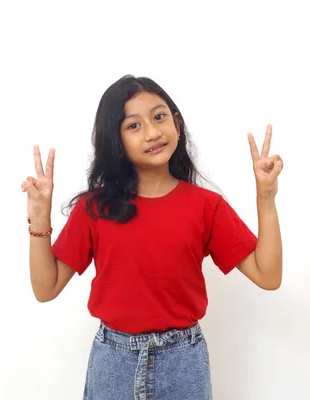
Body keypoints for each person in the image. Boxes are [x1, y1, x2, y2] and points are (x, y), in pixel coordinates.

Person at [21, 75, 283, 400]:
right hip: (113, 362)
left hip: (183, 363)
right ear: (115, 141)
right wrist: (40, 217)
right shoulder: (94, 208)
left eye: (159, 117)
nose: (152, 132)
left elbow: (268, 275)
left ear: (176, 122)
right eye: (133, 125)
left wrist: (265, 197)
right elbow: (45, 289)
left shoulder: (206, 206)